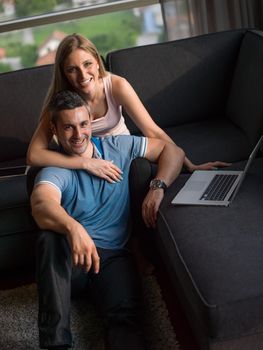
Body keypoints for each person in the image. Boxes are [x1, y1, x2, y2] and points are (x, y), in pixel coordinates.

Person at [30, 90, 185, 350]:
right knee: (49, 237)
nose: (78, 135)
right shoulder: (55, 169)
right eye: (68, 127)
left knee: (126, 321)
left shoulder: (118, 147)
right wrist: (73, 228)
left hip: (113, 259)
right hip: (72, 262)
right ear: (54, 129)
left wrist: (158, 185)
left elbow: (172, 151)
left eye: (82, 124)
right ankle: (55, 343)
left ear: (91, 121)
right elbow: (41, 203)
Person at [27, 33, 229, 182]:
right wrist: (86, 163)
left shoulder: (116, 85)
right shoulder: (61, 101)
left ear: (97, 62)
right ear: (64, 74)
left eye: (87, 64)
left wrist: (189, 165)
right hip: (84, 159)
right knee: (38, 175)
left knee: (140, 168)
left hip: (121, 154)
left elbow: (152, 130)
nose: (82, 75)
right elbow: (34, 154)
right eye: (72, 70)